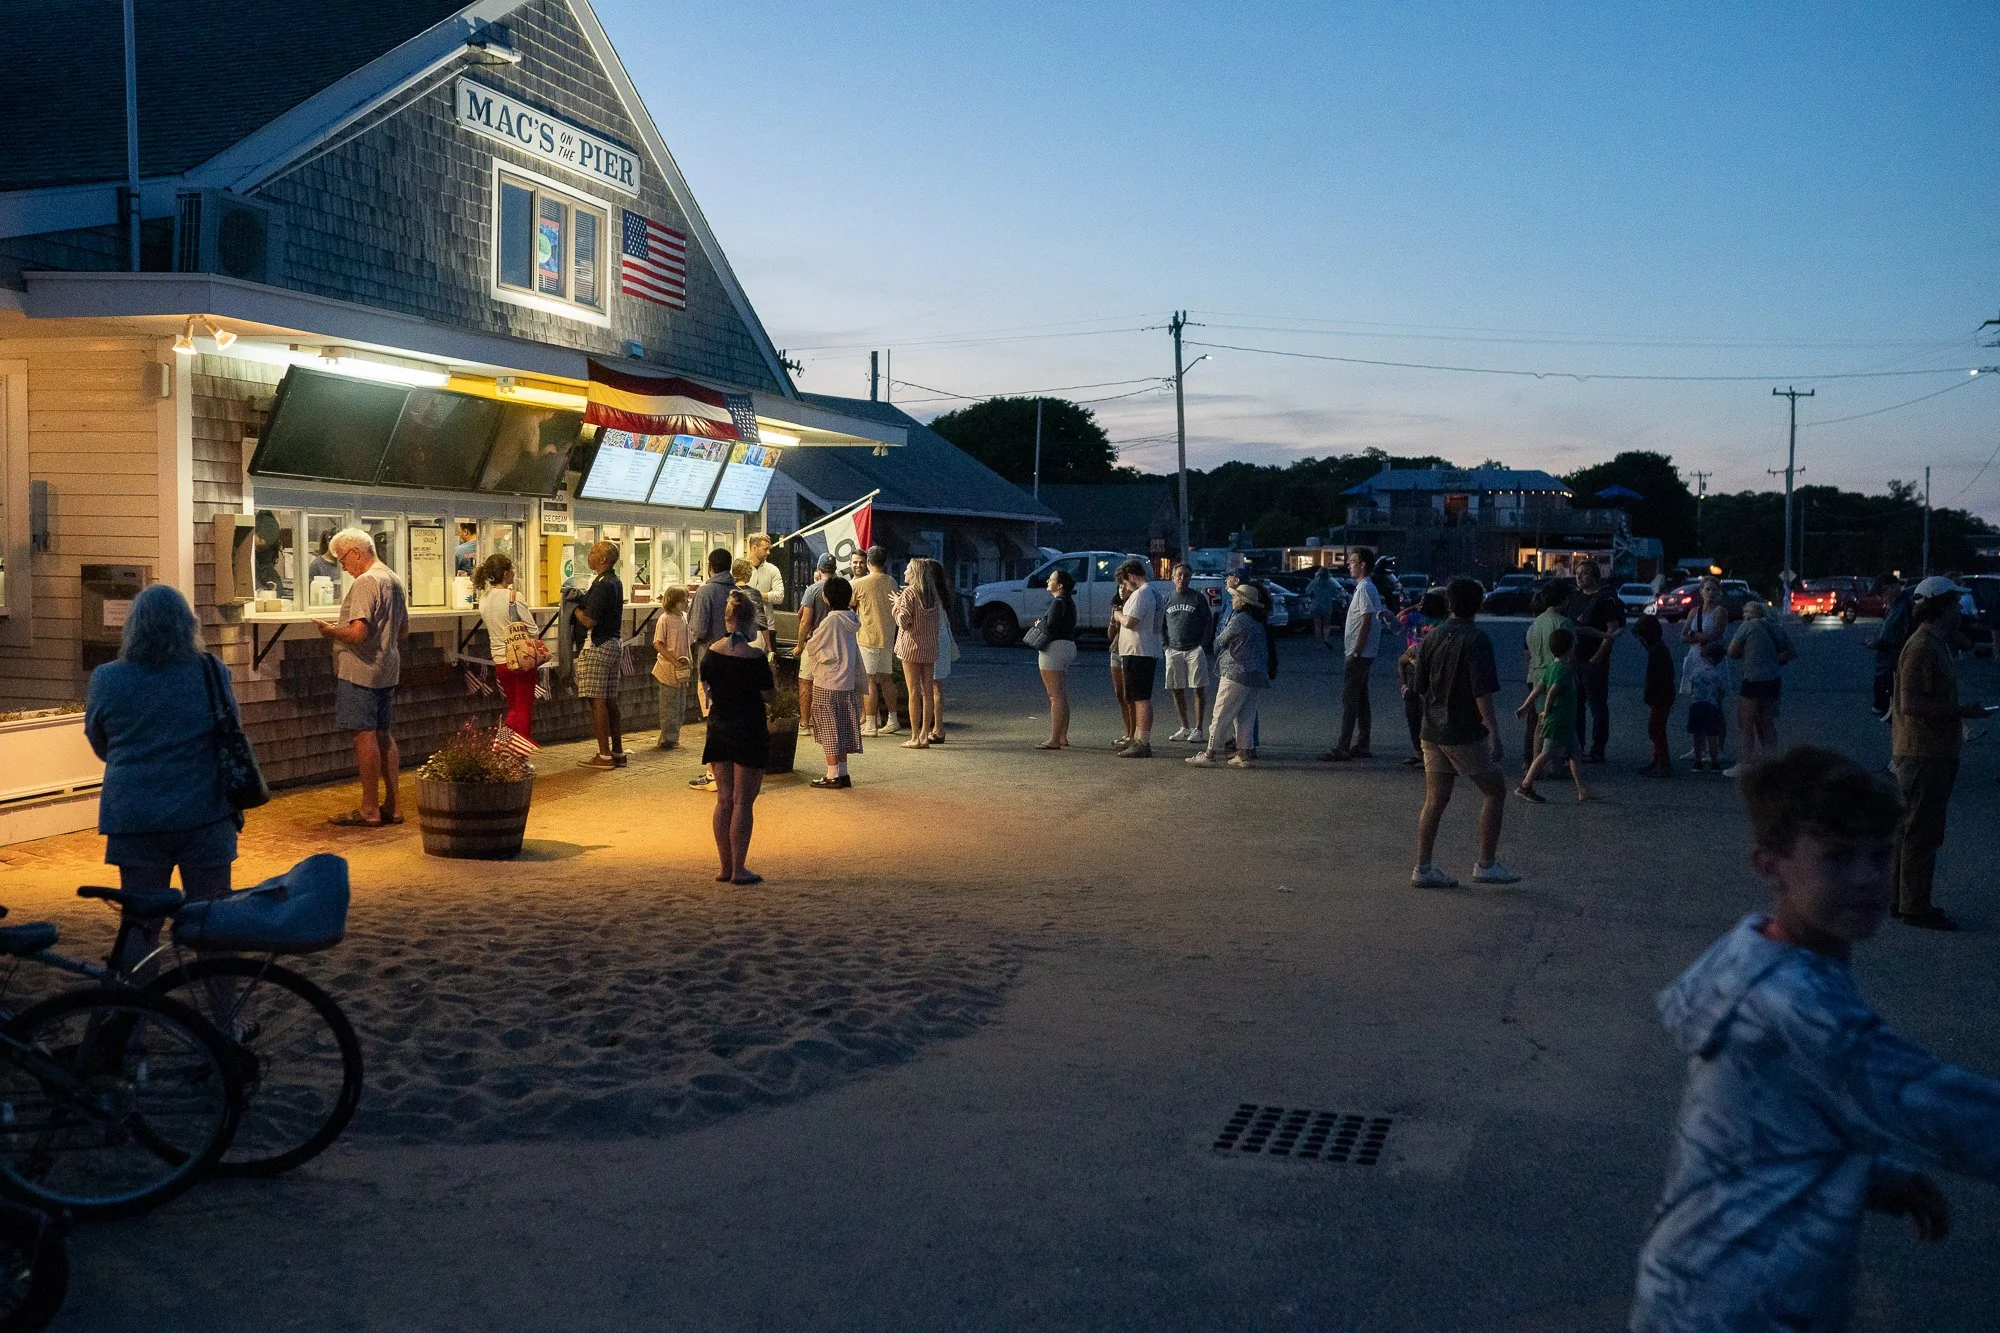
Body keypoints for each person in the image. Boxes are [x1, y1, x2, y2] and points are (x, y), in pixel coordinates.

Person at [1629, 746, 2000, 1331]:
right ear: (1769, 865)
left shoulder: (1753, 953)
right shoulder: (1804, 1008)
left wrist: (1880, 1179)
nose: (1866, 880)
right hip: (1748, 1303)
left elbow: (1769, 1124)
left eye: (1880, 856)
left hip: (1699, 1277)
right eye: (1836, 858)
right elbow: (1944, 1110)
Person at [84, 584, 245, 920]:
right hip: (205, 812)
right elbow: (231, 732)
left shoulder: (107, 678)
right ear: (188, 625)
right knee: (213, 920)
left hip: (134, 816)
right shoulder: (211, 671)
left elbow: (101, 742)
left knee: (140, 923)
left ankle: (141, 973)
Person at [1890, 576, 1984, 931]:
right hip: (1923, 753)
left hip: (1929, 751)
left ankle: (1901, 900)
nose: (1959, 611)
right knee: (1922, 831)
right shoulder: (1922, 647)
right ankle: (1915, 906)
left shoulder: (1935, 644)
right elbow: (1912, 703)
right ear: (1940, 607)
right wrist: (1960, 712)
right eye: (1955, 605)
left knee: (1912, 828)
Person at [1409, 578, 1517, 888]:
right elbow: (1481, 691)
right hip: (1462, 731)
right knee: (1494, 791)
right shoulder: (1476, 639)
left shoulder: (1432, 637)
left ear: (1448, 604)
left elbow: (1419, 687)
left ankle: (1424, 867)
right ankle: (1486, 862)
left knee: (1435, 799)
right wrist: (1493, 731)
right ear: (1480, 604)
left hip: (1431, 729)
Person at [312, 526, 409, 826]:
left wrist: (330, 631)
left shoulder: (367, 582)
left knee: (364, 736)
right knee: (383, 734)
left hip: (360, 670)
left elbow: (357, 632)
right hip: (388, 667)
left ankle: (369, 809)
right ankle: (393, 805)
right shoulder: (393, 579)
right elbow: (403, 631)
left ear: (356, 553)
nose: (343, 566)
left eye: (343, 559)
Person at [700, 591, 774, 884]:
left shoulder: (712, 653)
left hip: (719, 726)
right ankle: (739, 868)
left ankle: (724, 866)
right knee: (743, 801)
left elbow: (708, 686)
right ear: (750, 620)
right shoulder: (755, 657)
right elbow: (768, 695)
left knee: (723, 800)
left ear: (727, 619)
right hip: (749, 728)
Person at [1187, 581, 1268, 769]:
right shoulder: (1257, 621)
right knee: (1246, 715)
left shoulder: (1240, 619)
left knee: (1221, 714)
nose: (1232, 600)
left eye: (1234, 597)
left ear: (1243, 601)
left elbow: (1222, 639)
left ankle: (1209, 754)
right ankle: (1243, 754)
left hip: (1235, 672)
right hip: (1254, 674)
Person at [1514, 626, 1594, 803]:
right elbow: (1551, 691)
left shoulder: (1552, 667)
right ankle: (1525, 785)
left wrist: (1525, 706)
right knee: (1546, 753)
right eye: (1573, 646)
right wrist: (1547, 709)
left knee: (1575, 753)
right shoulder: (1564, 671)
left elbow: (1539, 688)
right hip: (1558, 720)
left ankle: (1582, 790)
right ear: (1569, 648)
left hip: (1565, 721)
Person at [1323, 546, 1389, 762]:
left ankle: (1343, 747)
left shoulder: (1365, 589)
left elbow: (1368, 620)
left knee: (1350, 699)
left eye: (1352, 561)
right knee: (1360, 699)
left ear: (1362, 565)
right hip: (1361, 652)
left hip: (1359, 654)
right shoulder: (1364, 588)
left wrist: (1357, 650)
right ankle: (1362, 744)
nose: (1349, 565)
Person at [571, 539, 627, 769]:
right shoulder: (616, 581)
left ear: (603, 559)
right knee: (610, 700)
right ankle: (618, 751)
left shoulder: (602, 584)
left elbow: (589, 619)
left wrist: (572, 608)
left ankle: (604, 756)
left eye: (593, 551)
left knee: (597, 701)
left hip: (598, 644)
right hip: (614, 642)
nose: (589, 554)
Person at [804, 576, 864, 788]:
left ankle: (832, 775)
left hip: (828, 680)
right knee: (843, 726)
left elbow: (813, 645)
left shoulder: (831, 620)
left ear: (827, 597)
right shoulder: (851, 618)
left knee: (829, 728)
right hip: (846, 681)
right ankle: (843, 772)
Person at [686, 548, 737, 789]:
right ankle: (730, 769)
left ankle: (713, 773)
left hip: (711, 663)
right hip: (737, 661)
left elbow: (698, 630)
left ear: (710, 566)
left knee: (714, 718)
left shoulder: (705, 592)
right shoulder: (738, 592)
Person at [1563, 559, 1623, 763]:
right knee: (1575, 705)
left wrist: (1599, 656)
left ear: (1595, 576)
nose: (1579, 577)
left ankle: (1598, 749)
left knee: (1596, 705)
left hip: (1594, 660)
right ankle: (1577, 747)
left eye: (1584, 573)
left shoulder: (1604, 599)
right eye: (1577, 573)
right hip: (1574, 659)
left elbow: (1612, 629)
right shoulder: (1574, 597)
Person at [1725, 600, 1793, 777]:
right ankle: (1772, 762)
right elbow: (1791, 651)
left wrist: (1747, 655)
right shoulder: (1775, 627)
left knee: (1746, 722)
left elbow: (1731, 651)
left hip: (1753, 679)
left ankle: (1745, 763)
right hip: (1773, 680)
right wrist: (1774, 660)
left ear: (1748, 613)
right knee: (1766, 722)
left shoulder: (1747, 626)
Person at [475, 553, 537, 740]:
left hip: (500, 659)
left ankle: (506, 747)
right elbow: (532, 629)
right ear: (505, 573)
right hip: (520, 658)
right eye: (511, 570)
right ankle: (516, 753)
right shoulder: (514, 597)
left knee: (514, 706)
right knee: (524, 708)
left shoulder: (483, 599)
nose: (513, 573)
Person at [1111, 559, 1164, 758]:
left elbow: (1131, 622)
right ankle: (1140, 738)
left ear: (1132, 577)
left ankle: (1142, 741)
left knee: (1141, 698)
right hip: (1143, 649)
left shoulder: (1142, 594)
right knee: (1139, 696)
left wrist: (1118, 615)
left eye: (1125, 582)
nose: (1124, 586)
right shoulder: (1153, 592)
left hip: (1138, 650)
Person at [1520, 582, 1574, 765]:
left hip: (1537, 675)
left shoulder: (1534, 624)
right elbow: (1571, 653)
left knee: (1539, 723)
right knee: (1559, 721)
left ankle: (1536, 763)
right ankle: (1556, 763)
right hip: (1557, 675)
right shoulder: (1563, 623)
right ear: (1563, 600)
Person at [1163, 562, 1215, 745]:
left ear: (1190, 578)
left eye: (1186, 575)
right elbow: (1161, 624)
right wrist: (1165, 646)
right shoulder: (1167, 598)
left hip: (1194, 649)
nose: (1182, 578)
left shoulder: (1198, 598)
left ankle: (1198, 729)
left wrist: (1203, 645)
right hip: (1173, 649)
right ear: (1173, 577)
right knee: (1176, 689)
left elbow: (1208, 622)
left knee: (1198, 689)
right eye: (1179, 575)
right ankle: (1184, 727)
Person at [892, 557, 941, 749]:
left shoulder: (910, 593)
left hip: (911, 647)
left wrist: (896, 606)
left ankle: (914, 737)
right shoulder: (932, 595)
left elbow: (903, 621)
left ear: (915, 574)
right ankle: (924, 736)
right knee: (927, 691)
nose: (904, 573)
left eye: (907, 570)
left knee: (913, 692)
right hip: (929, 647)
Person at [1680, 576, 1731, 757]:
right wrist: (1699, 635)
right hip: (1695, 660)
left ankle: (1718, 747)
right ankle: (1698, 747)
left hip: (1713, 661)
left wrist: (1695, 635)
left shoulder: (1720, 612)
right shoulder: (1694, 611)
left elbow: (1715, 635)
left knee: (1715, 705)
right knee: (1697, 704)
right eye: (1707, 589)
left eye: (1714, 590)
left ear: (1719, 593)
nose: (1710, 593)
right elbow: (1683, 636)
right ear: (1701, 592)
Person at [851, 546, 900, 737]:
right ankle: (893, 719)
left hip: (867, 637)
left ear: (868, 562)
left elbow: (850, 605)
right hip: (887, 636)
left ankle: (870, 723)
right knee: (886, 678)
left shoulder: (859, 584)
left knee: (869, 680)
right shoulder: (892, 581)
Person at [1396, 589, 1448, 767]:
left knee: (1413, 710)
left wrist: (1413, 607)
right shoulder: (1442, 623)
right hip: (1434, 666)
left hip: (1412, 663)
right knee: (1429, 710)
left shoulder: (1414, 618)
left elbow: (1399, 617)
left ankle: (1420, 750)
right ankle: (1430, 751)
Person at [1035, 567, 1079, 750]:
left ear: (1060, 585)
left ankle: (1054, 738)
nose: (1048, 581)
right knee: (1061, 694)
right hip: (1067, 646)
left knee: (1055, 696)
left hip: (1054, 649)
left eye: (1051, 579)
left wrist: (1040, 624)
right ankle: (1062, 736)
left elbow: (1051, 626)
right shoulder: (1069, 602)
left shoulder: (1058, 603)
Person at [795, 553, 837, 732]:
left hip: (814, 641)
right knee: (830, 685)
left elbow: (804, 620)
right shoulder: (841, 587)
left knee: (806, 681)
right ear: (834, 570)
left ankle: (805, 722)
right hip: (834, 643)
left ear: (819, 569)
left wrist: (799, 644)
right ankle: (824, 722)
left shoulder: (812, 590)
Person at [1866, 574, 1914, 720]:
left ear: (1893, 588)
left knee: (1895, 714)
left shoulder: (1904, 608)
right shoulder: (1894, 608)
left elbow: (1905, 637)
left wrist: (1881, 644)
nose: (1881, 598)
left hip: (1893, 666)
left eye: (1882, 593)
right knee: (1888, 713)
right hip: (1886, 666)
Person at [1633, 613, 1675, 777]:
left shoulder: (1657, 651)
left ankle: (1663, 762)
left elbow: (1658, 678)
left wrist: (1651, 695)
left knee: (1655, 729)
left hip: (1661, 696)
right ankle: (1658, 759)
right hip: (1663, 695)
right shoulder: (1658, 648)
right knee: (1657, 728)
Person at [650, 586, 692, 750]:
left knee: (680, 705)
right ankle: (668, 738)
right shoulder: (665, 619)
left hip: (682, 667)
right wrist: (674, 660)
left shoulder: (684, 617)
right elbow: (658, 643)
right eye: (684, 599)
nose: (686, 602)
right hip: (667, 667)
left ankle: (673, 736)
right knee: (669, 705)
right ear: (674, 601)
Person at [924, 558, 957, 743]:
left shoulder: (929, 593)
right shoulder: (943, 591)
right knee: (937, 686)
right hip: (942, 637)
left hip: (933, 639)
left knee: (931, 686)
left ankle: (936, 728)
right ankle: (938, 727)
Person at [1684, 643, 1728, 773]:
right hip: (1712, 706)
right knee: (1712, 735)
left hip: (1696, 705)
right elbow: (1721, 692)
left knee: (1697, 734)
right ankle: (1714, 762)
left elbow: (1691, 687)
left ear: (1704, 655)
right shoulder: (1718, 674)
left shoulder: (1696, 671)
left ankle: (1697, 761)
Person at [1107, 585, 1134, 747]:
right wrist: (1112, 620)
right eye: (1119, 587)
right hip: (1115, 652)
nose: (1122, 589)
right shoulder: (1116, 607)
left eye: (1125, 586)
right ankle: (1127, 731)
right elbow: (1110, 635)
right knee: (1119, 693)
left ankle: (1133, 734)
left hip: (1127, 652)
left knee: (1128, 694)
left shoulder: (1132, 606)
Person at [743, 532, 785, 609]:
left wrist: (755, 594)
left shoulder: (773, 570)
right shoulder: (740, 568)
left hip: (765, 620)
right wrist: (768, 595)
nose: (768, 552)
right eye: (765, 549)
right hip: (744, 619)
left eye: (769, 549)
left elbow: (780, 596)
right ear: (754, 548)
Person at [1305, 565, 1339, 650]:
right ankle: (1326, 639)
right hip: (1327, 605)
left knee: (1317, 625)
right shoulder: (1331, 583)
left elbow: (1307, 591)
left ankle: (1319, 644)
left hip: (1315, 605)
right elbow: (1336, 593)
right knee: (1326, 624)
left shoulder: (1314, 582)